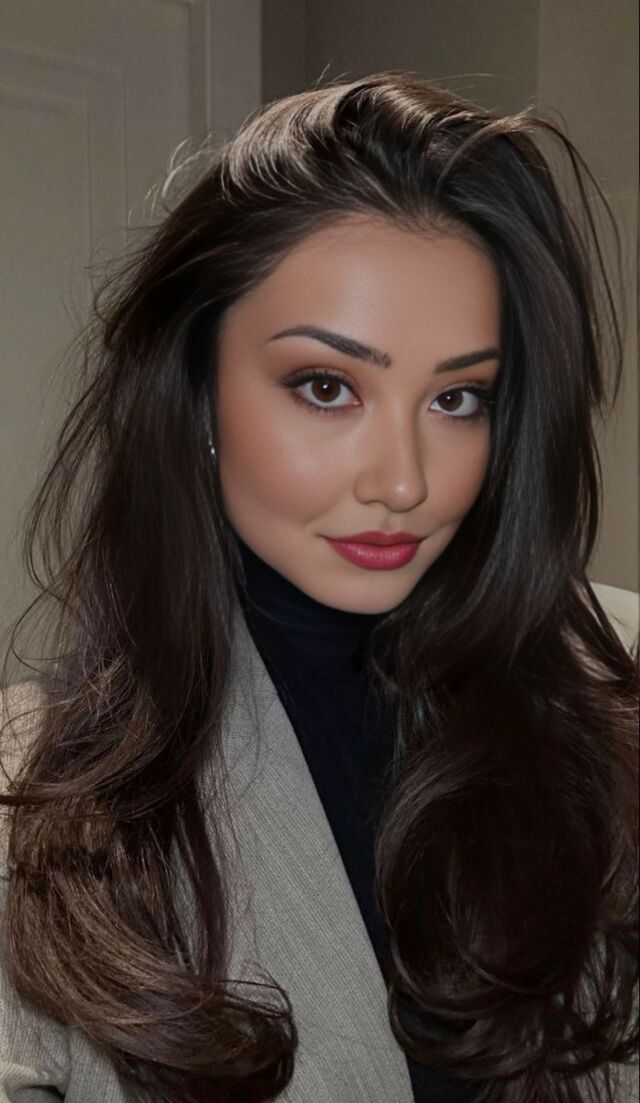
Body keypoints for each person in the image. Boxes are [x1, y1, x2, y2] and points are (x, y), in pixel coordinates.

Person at [0, 71, 638, 1103]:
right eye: (328, 386)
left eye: (458, 397)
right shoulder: (29, 802)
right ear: (197, 387)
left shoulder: (617, 689)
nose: (404, 482)